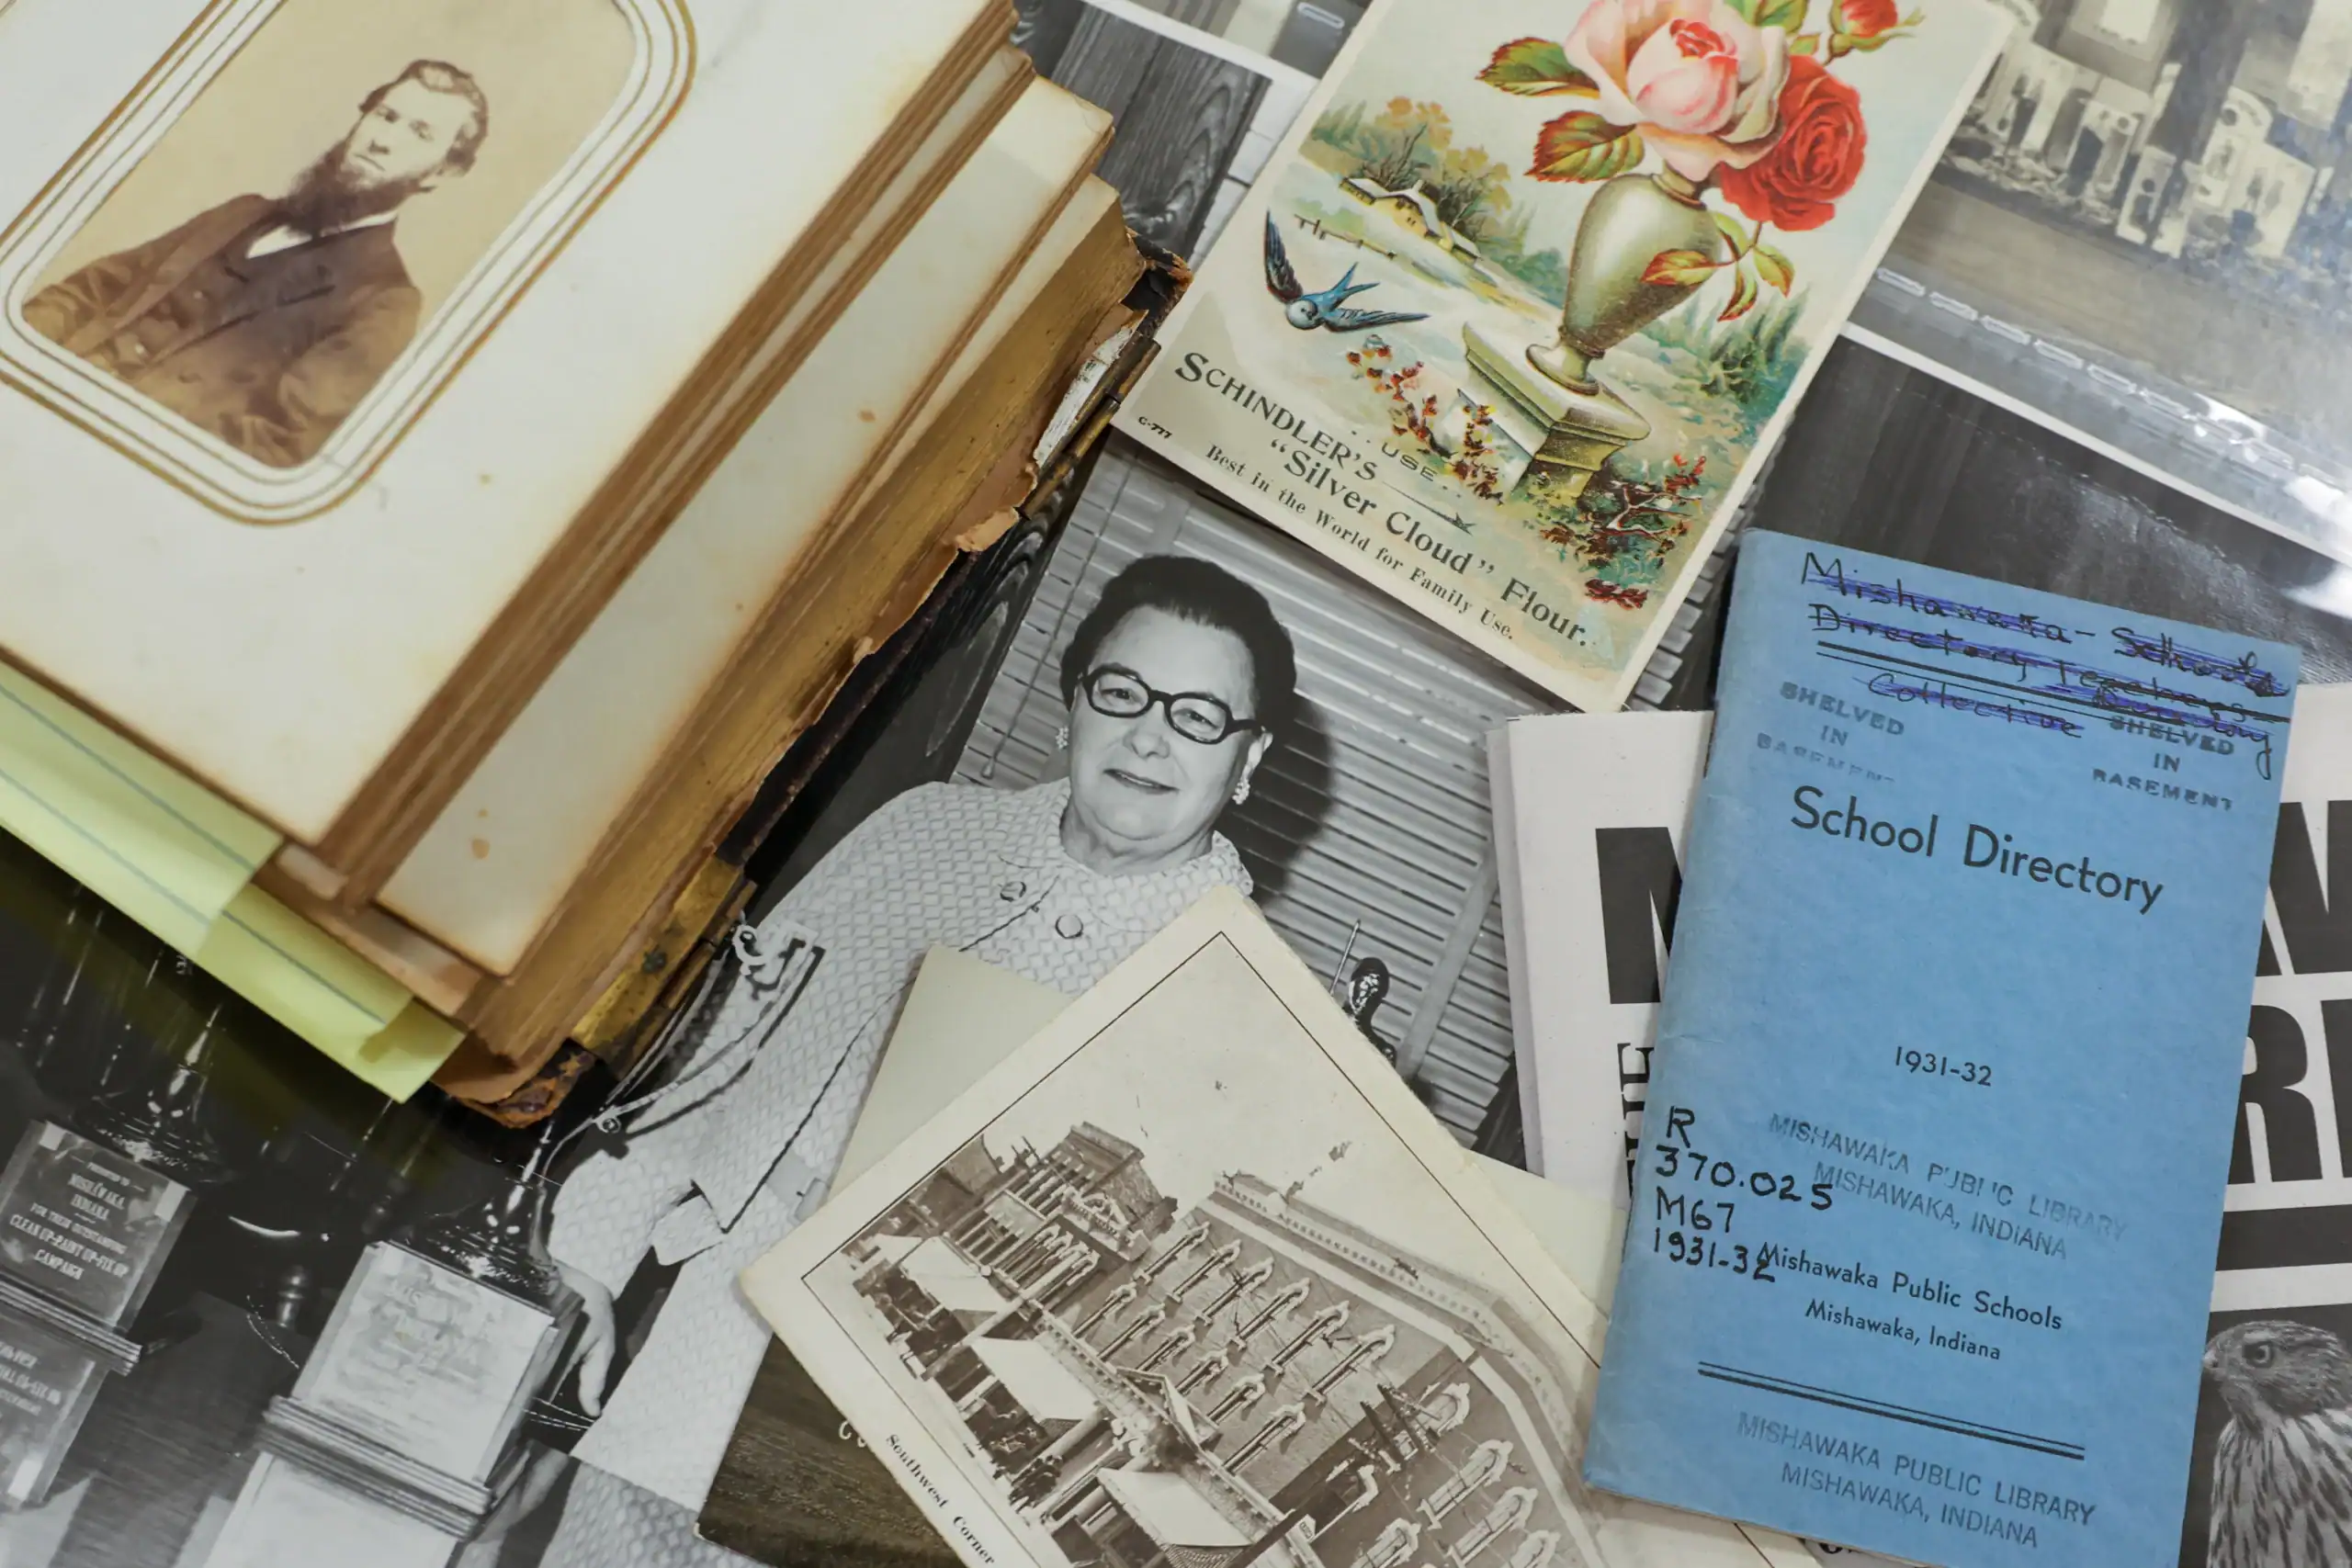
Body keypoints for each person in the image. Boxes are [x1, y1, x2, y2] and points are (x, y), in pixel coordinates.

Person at [537, 554, 1300, 1564]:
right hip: (684, 1363)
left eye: (1201, 716)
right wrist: (584, 1258)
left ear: (1247, 761)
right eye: (1123, 692)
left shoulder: (1242, 999)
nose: (1150, 735)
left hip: (890, 1473)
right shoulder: (925, 830)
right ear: (1075, 700)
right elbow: (718, 1056)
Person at [23, 60, 489, 468]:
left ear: (445, 172)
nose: (383, 140)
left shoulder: (385, 303)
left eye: (420, 133)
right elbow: (93, 289)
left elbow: (277, 448)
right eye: (385, 115)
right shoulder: (242, 213)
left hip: (118, 454)